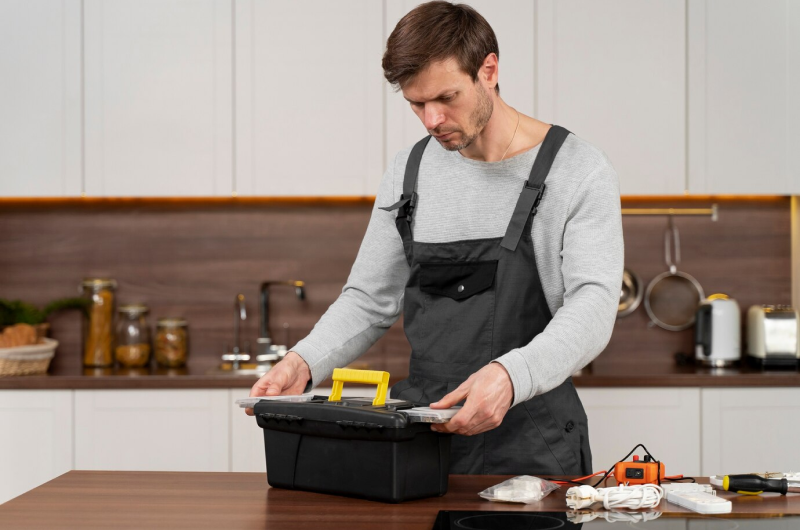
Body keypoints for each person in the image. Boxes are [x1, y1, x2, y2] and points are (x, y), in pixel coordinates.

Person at [248, 1, 623, 475]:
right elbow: (368, 299)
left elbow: (593, 306)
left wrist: (510, 375)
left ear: (488, 71)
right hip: (423, 436)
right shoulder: (410, 171)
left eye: (446, 97)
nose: (431, 120)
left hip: (534, 443)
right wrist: (303, 362)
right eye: (416, 103)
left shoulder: (577, 170)